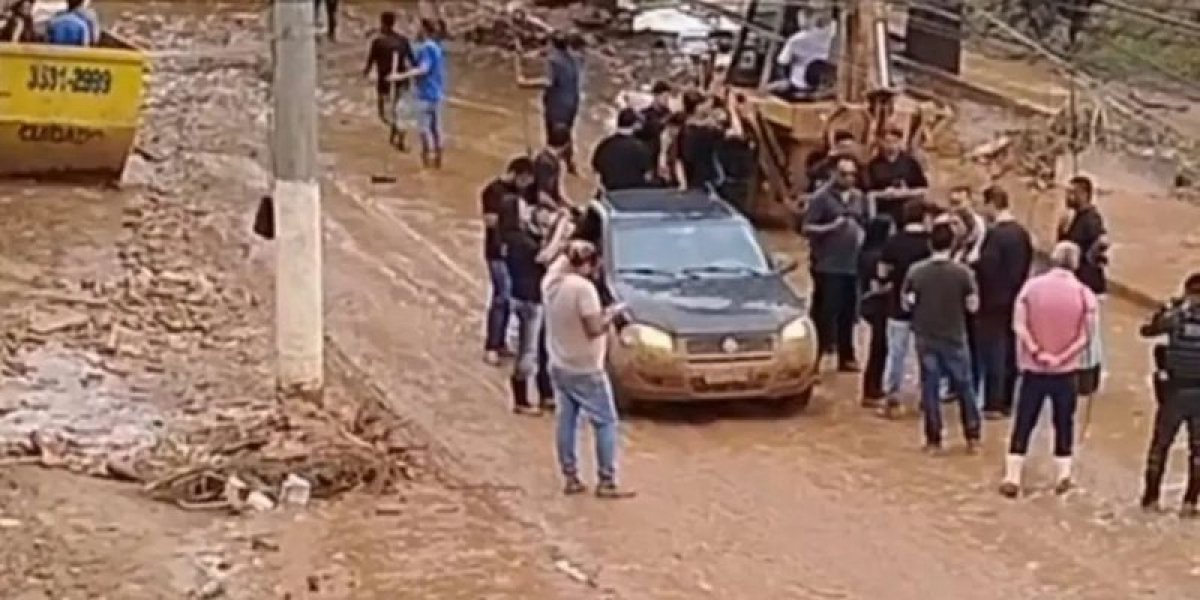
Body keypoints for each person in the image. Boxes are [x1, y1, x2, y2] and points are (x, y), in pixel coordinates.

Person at [1000, 242, 1097, 497]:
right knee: (1063, 423)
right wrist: (1060, 357)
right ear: (1075, 263)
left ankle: (1012, 476)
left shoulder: (1031, 288)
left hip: (1033, 369)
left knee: (1024, 421)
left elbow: (1018, 325)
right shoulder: (1084, 294)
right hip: (1065, 372)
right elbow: (1086, 337)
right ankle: (1063, 475)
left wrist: (1036, 351)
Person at [542, 241, 634, 499]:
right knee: (605, 422)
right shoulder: (583, 290)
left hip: (559, 364)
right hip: (586, 370)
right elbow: (593, 328)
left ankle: (570, 477)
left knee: (566, 421)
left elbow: (560, 258)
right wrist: (612, 314)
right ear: (590, 264)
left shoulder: (551, 282)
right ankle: (606, 481)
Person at [902, 222, 982, 452]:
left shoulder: (916, 271)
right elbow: (973, 306)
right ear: (953, 243)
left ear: (930, 243)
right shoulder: (963, 273)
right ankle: (972, 436)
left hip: (925, 336)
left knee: (930, 388)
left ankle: (934, 439)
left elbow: (907, 304)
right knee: (965, 386)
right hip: (955, 336)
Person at [1139, 273, 1200, 517]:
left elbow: (1147, 329)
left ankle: (1151, 499)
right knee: (1198, 451)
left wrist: (1165, 307)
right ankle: (1190, 503)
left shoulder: (1176, 318)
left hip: (1174, 392)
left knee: (1160, 446)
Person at [804, 156, 868, 372]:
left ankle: (846, 356)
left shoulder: (858, 197)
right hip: (827, 265)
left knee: (848, 313)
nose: (848, 178)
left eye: (852, 174)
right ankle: (816, 359)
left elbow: (864, 222)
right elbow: (807, 228)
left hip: (852, 264)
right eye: (843, 174)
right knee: (826, 313)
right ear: (834, 173)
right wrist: (832, 227)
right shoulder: (821, 198)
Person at [506, 201, 570, 415]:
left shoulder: (521, 239)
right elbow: (545, 256)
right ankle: (521, 400)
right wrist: (561, 225)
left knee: (543, 349)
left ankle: (545, 394)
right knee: (528, 352)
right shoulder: (521, 242)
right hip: (529, 302)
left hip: (534, 300)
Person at [974, 186, 1033, 418]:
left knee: (994, 351)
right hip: (1015, 297)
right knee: (1010, 349)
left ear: (992, 204)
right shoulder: (1022, 233)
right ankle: (1007, 400)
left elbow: (987, 268)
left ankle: (993, 402)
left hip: (993, 301)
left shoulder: (996, 235)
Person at [877, 199, 932, 417]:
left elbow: (882, 272)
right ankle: (926, 399)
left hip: (897, 306)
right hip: (925, 307)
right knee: (925, 355)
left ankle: (892, 398)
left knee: (896, 354)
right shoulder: (929, 243)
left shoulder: (893, 242)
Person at [480, 157, 536, 365]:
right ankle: (491, 346)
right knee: (501, 297)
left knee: (511, 297)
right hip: (497, 253)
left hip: (516, 254)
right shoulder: (493, 192)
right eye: (525, 180)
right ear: (517, 174)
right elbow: (490, 222)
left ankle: (500, 342)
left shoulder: (519, 193)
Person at [1057, 175, 1108, 397]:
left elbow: (1102, 243)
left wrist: (1087, 258)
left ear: (1084, 194)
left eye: (1072, 193)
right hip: (1076, 283)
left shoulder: (1091, 219)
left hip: (1088, 284)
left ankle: (1088, 379)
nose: (1068, 197)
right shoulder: (1075, 218)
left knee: (1088, 334)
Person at [518, 34, 582, 175]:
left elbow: (548, 81)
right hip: (572, 102)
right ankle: (570, 165)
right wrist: (528, 56)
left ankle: (550, 168)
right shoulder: (575, 58)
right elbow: (543, 53)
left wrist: (525, 83)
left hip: (557, 104)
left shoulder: (553, 61)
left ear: (552, 45)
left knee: (554, 137)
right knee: (566, 134)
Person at [391, 19, 447, 168]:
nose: (415, 30)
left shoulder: (426, 48)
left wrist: (400, 76)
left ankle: (426, 165)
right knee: (436, 130)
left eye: (417, 27)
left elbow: (423, 69)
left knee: (424, 130)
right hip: (437, 93)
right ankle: (438, 162)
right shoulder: (437, 47)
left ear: (424, 30)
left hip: (425, 95)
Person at [363, 11, 414, 150]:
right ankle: (398, 133)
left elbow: (370, 62)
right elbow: (412, 61)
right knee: (399, 110)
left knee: (383, 113)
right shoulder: (403, 41)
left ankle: (396, 129)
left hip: (385, 82)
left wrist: (365, 74)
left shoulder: (378, 42)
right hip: (402, 81)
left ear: (382, 23)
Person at [860, 217, 895, 406]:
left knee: (878, 348)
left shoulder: (865, 253)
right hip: (878, 306)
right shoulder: (875, 257)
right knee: (879, 348)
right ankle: (872, 390)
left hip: (870, 306)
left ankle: (873, 388)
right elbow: (876, 286)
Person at [865, 126, 929, 227]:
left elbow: (923, 189)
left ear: (900, 142)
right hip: (884, 207)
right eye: (887, 141)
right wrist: (884, 193)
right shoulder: (873, 165)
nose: (891, 145)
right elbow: (869, 193)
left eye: (895, 141)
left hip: (908, 206)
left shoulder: (910, 163)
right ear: (881, 142)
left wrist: (906, 192)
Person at [770, 11, 836, 99]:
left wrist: (783, 80)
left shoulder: (795, 40)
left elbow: (782, 61)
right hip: (823, 83)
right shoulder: (829, 34)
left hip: (800, 83)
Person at [591, 108, 654, 192]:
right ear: (635, 125)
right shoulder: (641, 148)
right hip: (633, 193)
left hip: (610, 192)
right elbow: (648, 176)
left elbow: (596, 171)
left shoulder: (605, 145)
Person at [636, 81, 673, 181]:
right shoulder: (644, 115)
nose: (666, 101)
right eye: (664, 97)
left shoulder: (669, 114)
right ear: (656, 96)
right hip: (649, 156)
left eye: (668, 98)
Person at [531, 124, 572, 208]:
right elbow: (542, 195)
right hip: (543, 207)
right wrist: (558, 207)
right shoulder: (553, 164)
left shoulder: (539, 156)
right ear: (566, 145)